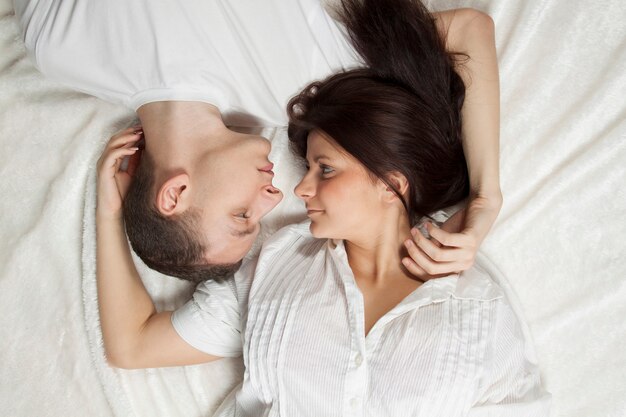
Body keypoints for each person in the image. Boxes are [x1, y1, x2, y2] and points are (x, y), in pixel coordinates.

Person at [96, 0, 549, 415]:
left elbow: (469, 29)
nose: (299, 190)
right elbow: (132, 345)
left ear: (391, 185)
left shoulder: (478, 309)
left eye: (325, 170)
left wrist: (486, 199)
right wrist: (109, 210)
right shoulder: (273, 267)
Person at [15, 0, 502, 281]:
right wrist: (485, 198)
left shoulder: (60, 50)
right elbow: (465, 33)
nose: (275, 197)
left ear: (174, 194)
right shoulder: (303, 88)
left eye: (242, 216)